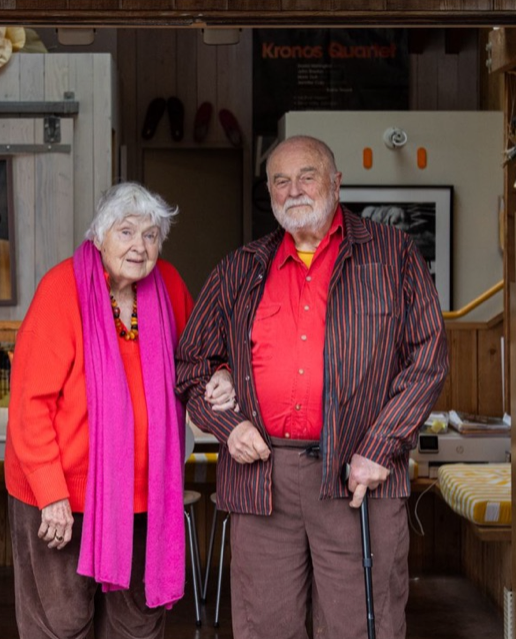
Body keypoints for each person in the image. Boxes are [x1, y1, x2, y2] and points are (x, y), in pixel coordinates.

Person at [176, 135, 448, 639]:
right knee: (266, 627)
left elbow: (428, 355)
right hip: (262, 477)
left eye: (307, 176)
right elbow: (191, 364)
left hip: (358, 474)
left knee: (361, 626)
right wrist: (226, 423)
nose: (294, 190)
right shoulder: (241, 268)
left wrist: (379, 448)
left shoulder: (393, 255)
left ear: (336, 182)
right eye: (281, 180)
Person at [4, 182, 231, 639]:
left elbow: (198, 354)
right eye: (126, 232)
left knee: (138, 626)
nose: (139, 246)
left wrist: (221, 372)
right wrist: (51, 494)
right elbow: (30, 406)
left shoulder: (167, 284)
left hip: (145, 496)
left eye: (151, 235)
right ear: (99, 235)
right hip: (64, 497)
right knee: (61, 623)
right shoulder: (61, 289)